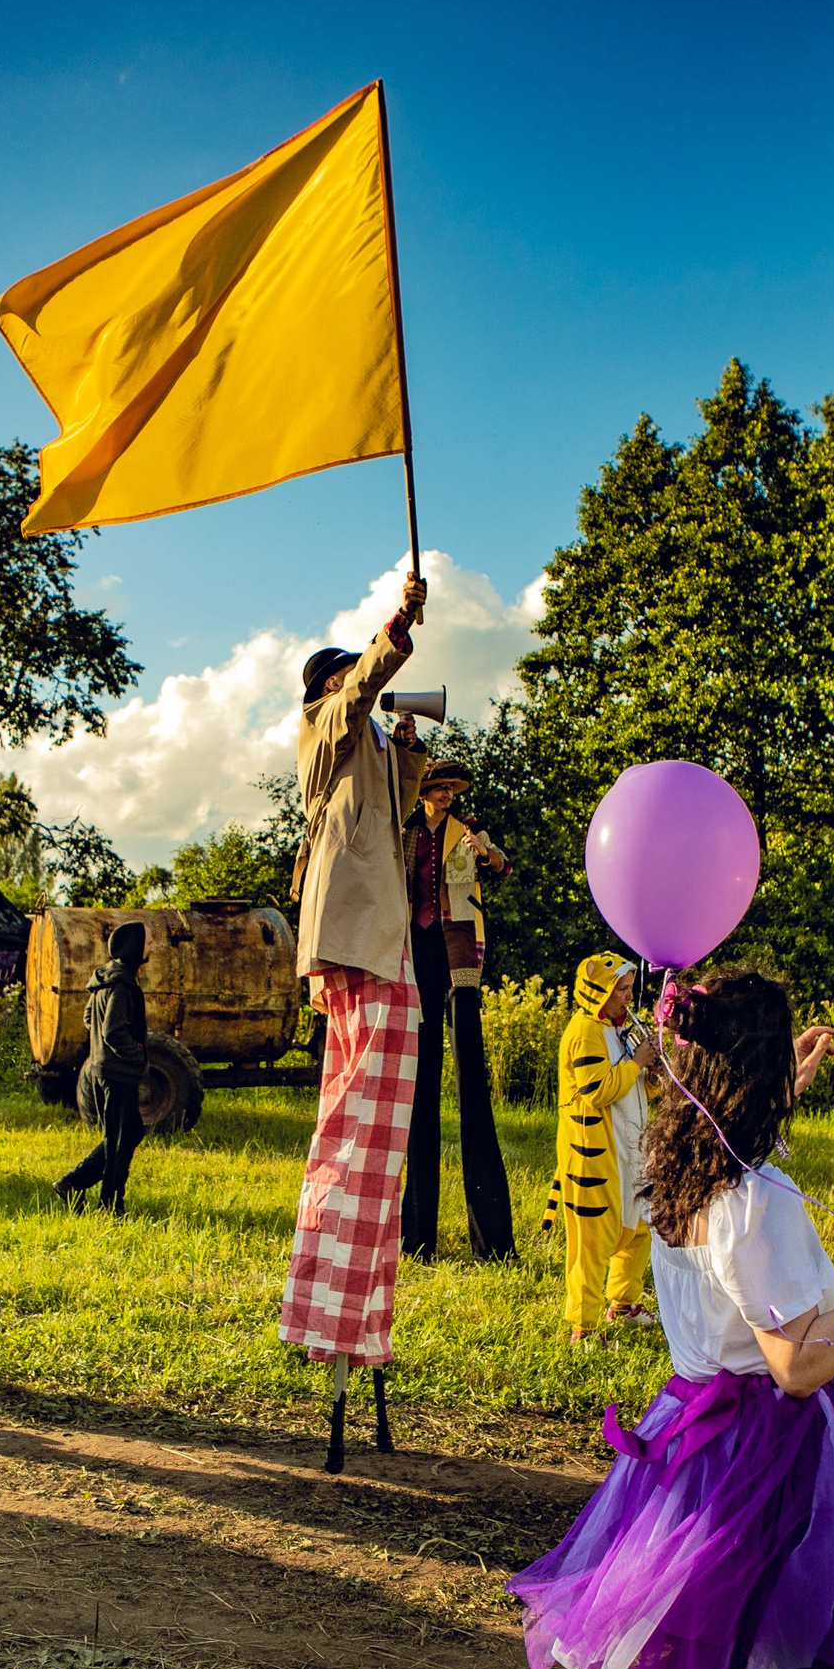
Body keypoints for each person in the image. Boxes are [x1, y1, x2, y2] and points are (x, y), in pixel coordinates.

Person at [507, 967, 834, 1669]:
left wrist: (783, 1081)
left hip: (696, 1443)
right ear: (757, 1074)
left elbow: (725, 1145)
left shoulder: (671, 1167)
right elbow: (798, 1364)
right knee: (824, 1636)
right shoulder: (758, 1199)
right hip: (779, 1450)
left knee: (717, 1630)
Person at [281, 570, 428, 1469]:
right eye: (355, 682)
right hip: (357, 944)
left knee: (378, 1133)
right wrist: (395, 630)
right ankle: (332, 1298)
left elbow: (400, 813)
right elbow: (358, 690)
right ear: (330, 688)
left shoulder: (366, 753)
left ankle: (354, 1307)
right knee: (358, 1127)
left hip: (381, 940)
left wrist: (407, 752)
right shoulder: (323, 730)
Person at [397, 759, 517, 1263]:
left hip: (459, 954)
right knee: (419, 1095)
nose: (447, 796)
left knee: (472, 1089)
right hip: (413, 955)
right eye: (439, 789)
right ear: (423, 792)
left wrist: (486, 853)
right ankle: (415, 1239)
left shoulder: (469, 832)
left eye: (451, 790)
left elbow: (503, 868)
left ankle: (491, 1242)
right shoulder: (400, 832)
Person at [544, 953, 656, 1344]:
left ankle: (623, 1304)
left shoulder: (620, 1028)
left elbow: (637, 1088)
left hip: (631, 1149)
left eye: (628, 988)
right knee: (592, 1242)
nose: (628, 997)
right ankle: (583, 1326)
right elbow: (597, 1092)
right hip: (595, 1153)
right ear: (598, 993)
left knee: (640, 1229)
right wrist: (638, 1063)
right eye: (620, 990)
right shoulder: (583, 1032)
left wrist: (653, 1071)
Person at [51, 922, 148, 1216]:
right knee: (119, 1141)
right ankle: (104, 1203)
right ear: (134, 947)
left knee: (127, 1134)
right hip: (117, 1073)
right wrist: (134, 1053)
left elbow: (89, 1017)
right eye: (149, 942)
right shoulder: (121, 983)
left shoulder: (105, 980)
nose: (152, 948)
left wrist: (105, 1053)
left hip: (104, 1069)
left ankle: (78, 1186)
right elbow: (112, 1030)